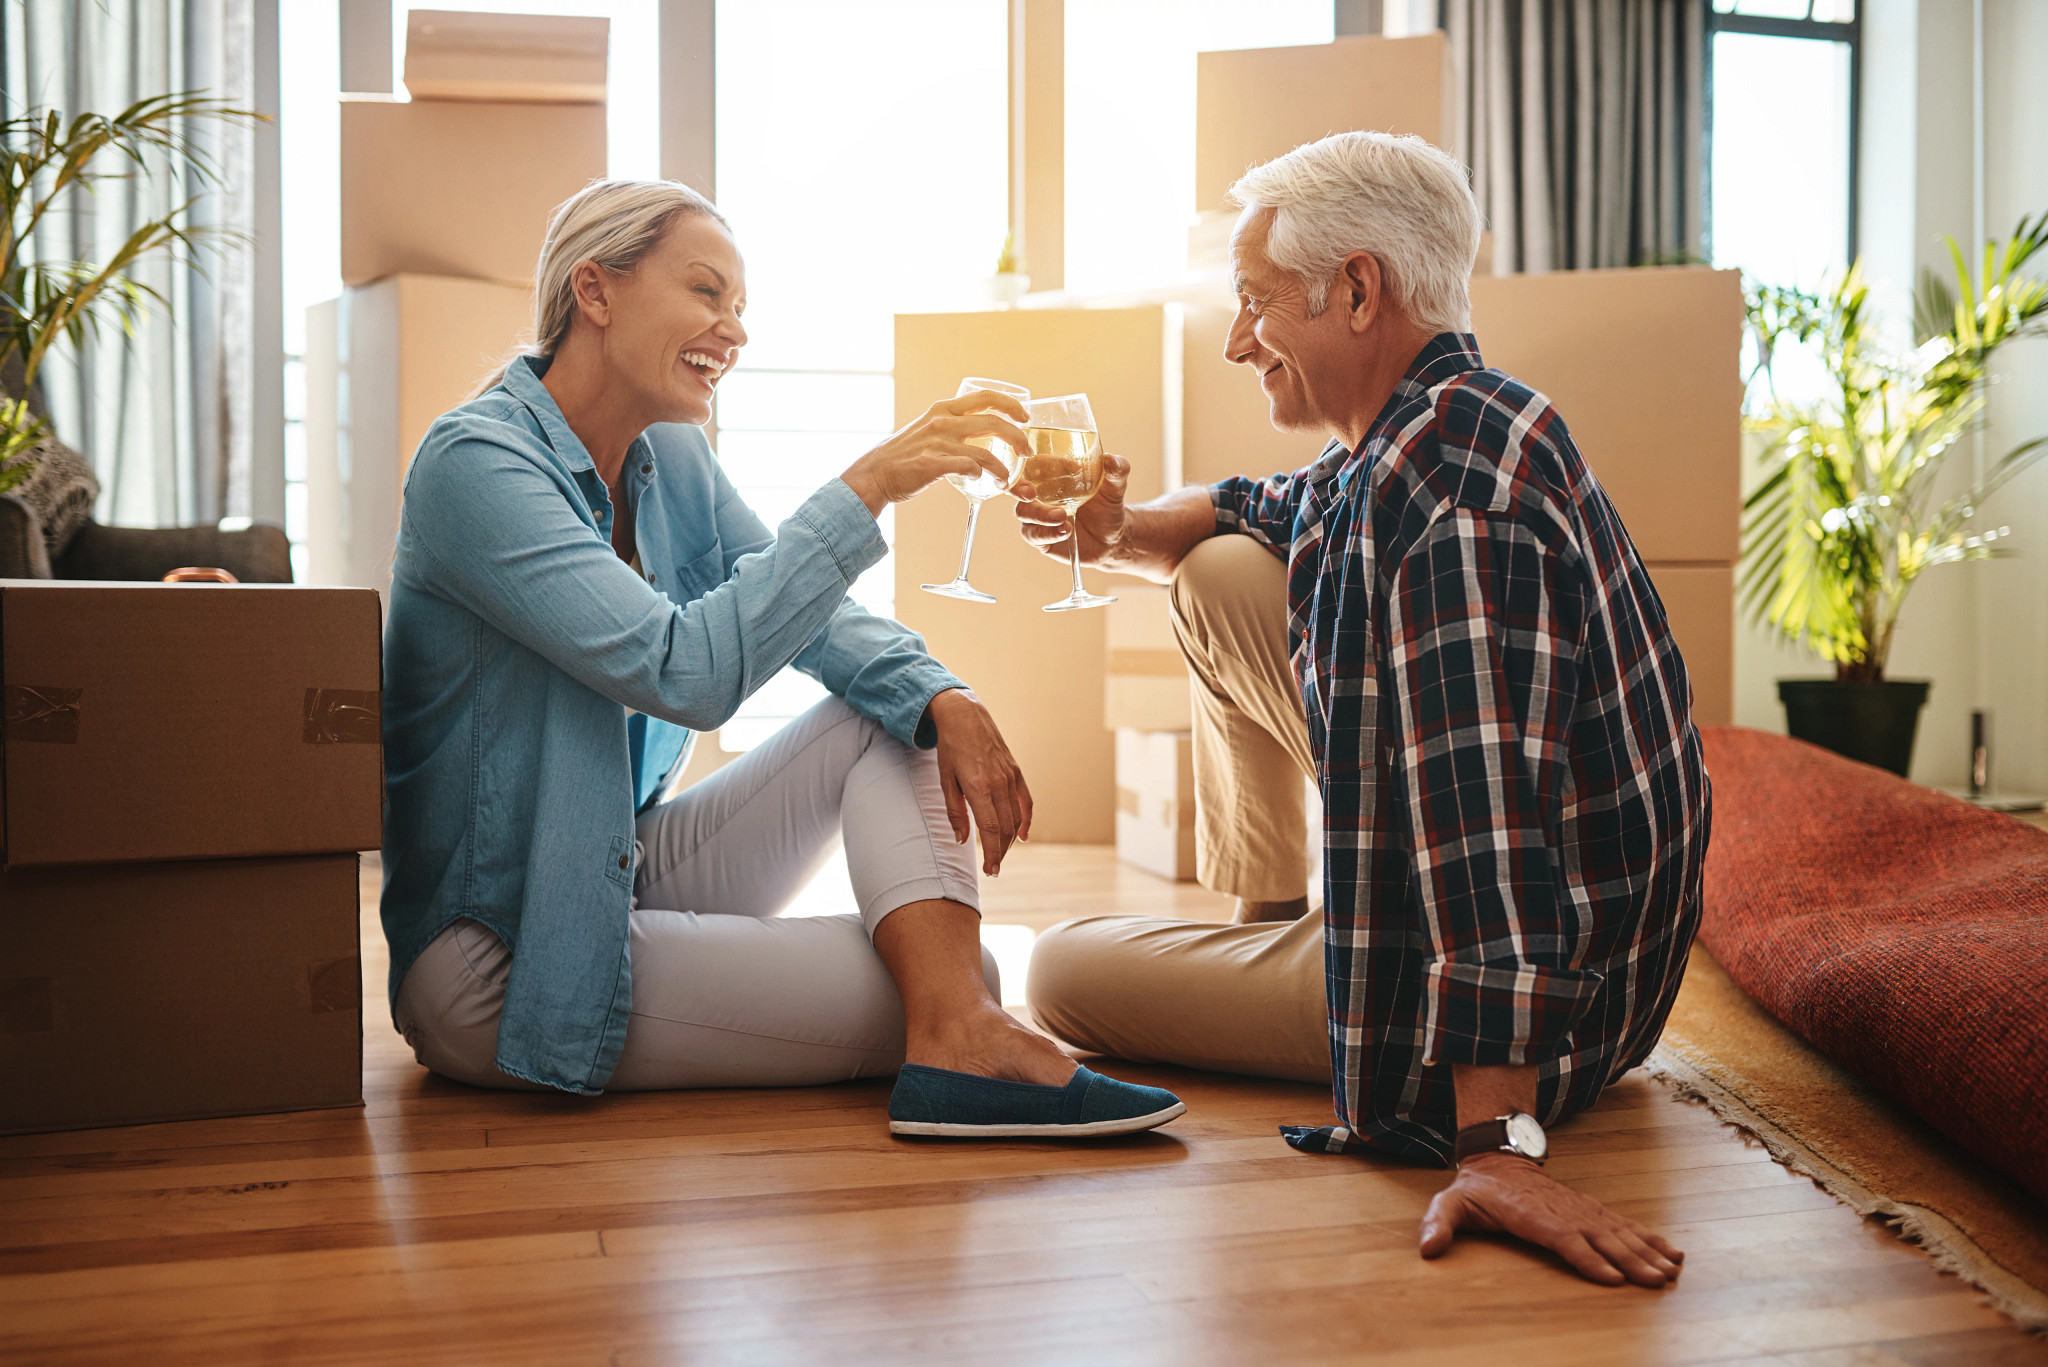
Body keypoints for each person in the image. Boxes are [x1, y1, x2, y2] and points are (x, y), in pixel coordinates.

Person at [1014, 132, 1711, 1283]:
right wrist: (1115, 534)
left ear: (1354, 289)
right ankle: (1271, 923)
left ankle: (1308, 982)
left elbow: (1488, 827)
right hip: (1580, 949)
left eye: (1253, 303)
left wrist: (1496, 1142)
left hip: (1539, 1009)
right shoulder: (1435, 422)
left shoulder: (1449, 508)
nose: (1237, 340)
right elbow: (1251, 502)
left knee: (1057, 970)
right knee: (1218, 565)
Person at [380, 178, 1182, 1140]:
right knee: (954, 981)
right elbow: (686, 672)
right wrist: (874, 482)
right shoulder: (476, 466)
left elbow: (798, 605)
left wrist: (941, 691)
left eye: (741, 306)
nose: (735, 330)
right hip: (503, 952)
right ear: (594, 292)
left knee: (897, 737)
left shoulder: (668, 456)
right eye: (708, 293)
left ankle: (957, 1036)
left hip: (615, 864)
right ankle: (958, 1037)